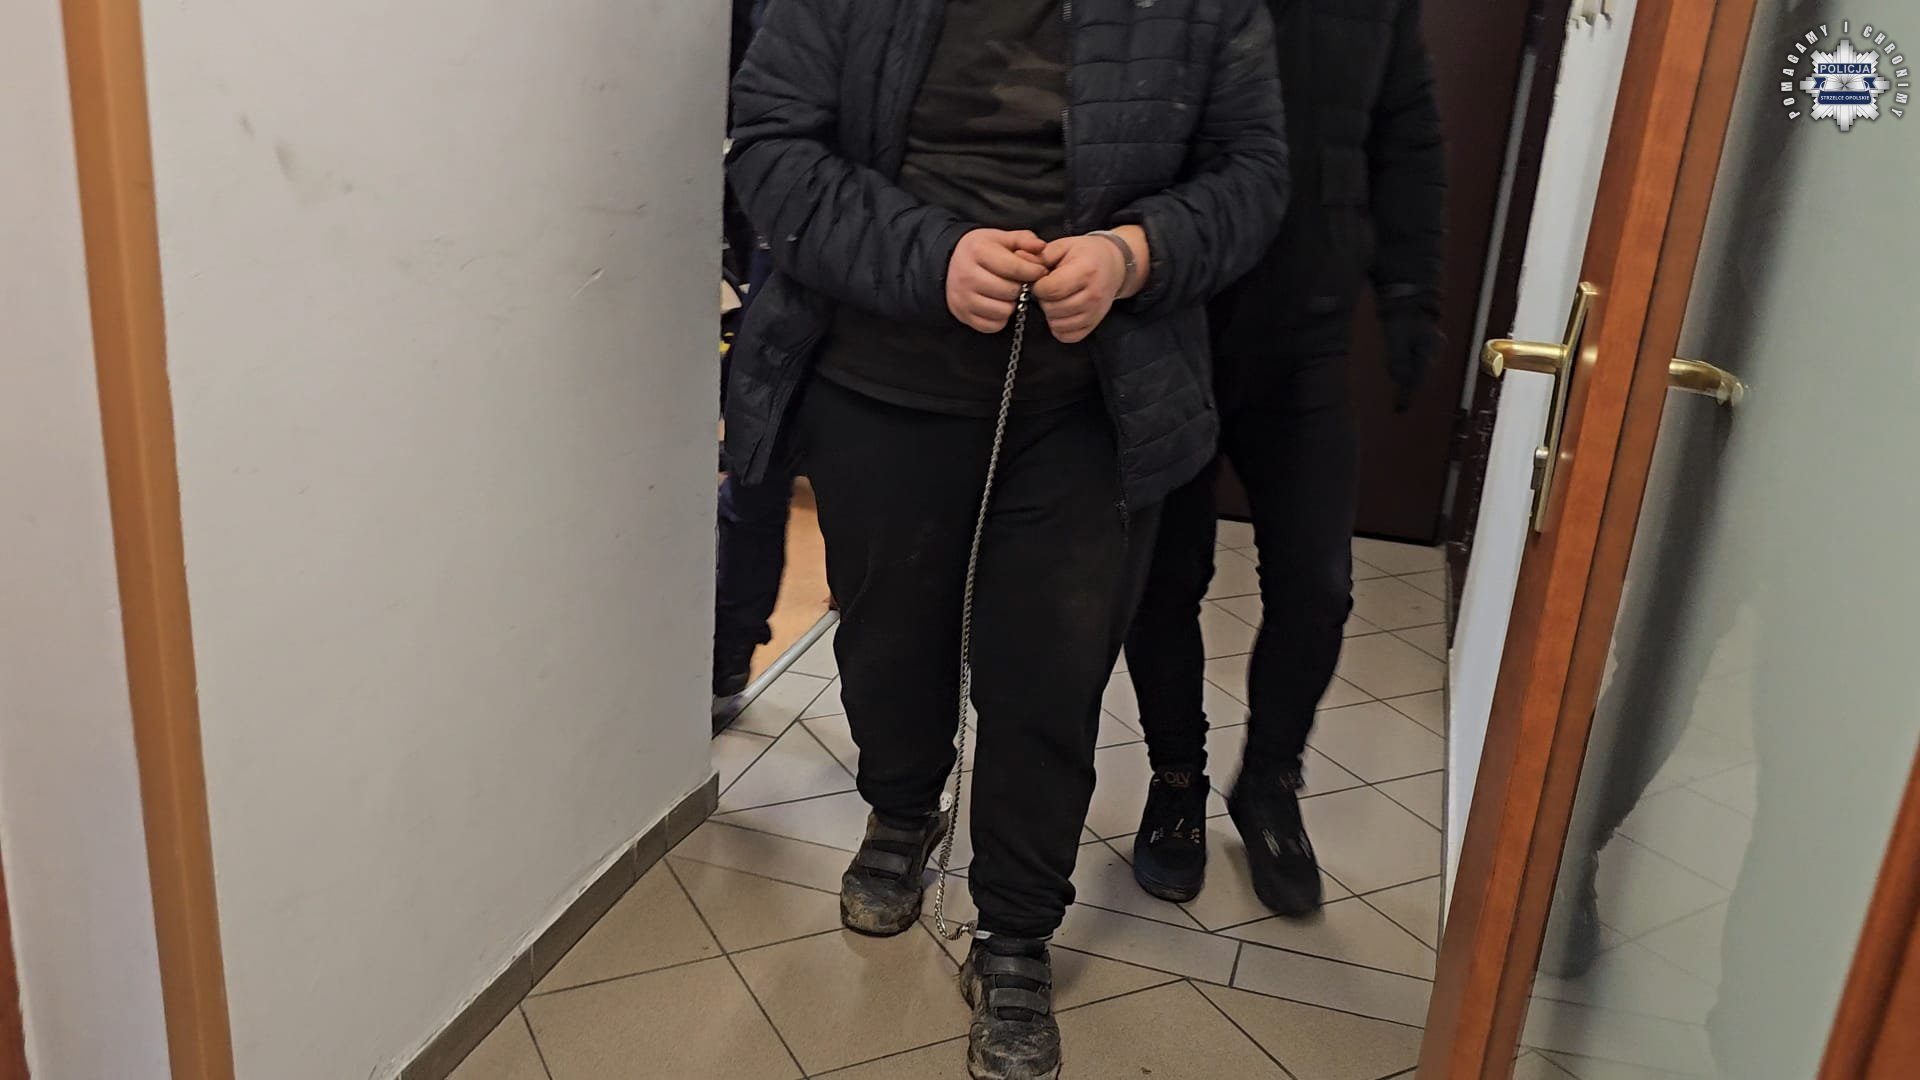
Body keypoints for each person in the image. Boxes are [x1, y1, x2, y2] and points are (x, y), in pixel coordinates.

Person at [726, 0, 1287, 1074]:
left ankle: (1018, 931)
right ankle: (902, 809)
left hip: (1092, 402)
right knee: (889, 642)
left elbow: (1253, 176)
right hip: (882, 380)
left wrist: (1133, 253)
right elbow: (772, 150)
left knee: (1050, 677)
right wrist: (931, 256)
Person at [1123, 0, 1445, 916]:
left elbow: (1408, 139)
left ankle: (1269, 780)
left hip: (1305, 335)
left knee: (1317, 585)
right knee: (1162, 579)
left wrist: (1411, 293)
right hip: (1175, 324)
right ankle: (1175, 778)